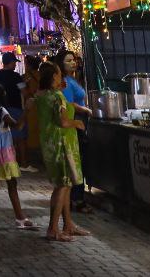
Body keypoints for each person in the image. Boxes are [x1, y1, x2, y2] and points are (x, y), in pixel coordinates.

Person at [36, 61, 88, 242]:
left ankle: (67, 225)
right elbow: (63, 122)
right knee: (63, 186)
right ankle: (53, 229)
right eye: (58, 75)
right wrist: (77, 123)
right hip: (62, 144)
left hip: (49, 144)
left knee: (64, 185)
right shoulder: (57, 97)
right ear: (53, 77)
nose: (61, 77)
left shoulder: (40, 95)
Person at [0, 82, 36, 232]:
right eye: (3, 92)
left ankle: (20, 217)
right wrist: (26, 111)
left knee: (11, 183)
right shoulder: (1, 111)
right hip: (3, 152)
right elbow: (17, 126)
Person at [57, 50, 92, 213]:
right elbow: (69, 104)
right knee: (76, 162)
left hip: (79, 121)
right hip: (74, 123)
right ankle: (76, 199)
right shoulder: (65, 82)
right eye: (68, 61)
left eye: (74, 60)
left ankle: (75, 197)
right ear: (61, 64)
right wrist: (86, 109)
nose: (73, 63)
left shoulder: (73, 79)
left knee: (80, 161)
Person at [0, 52, 34, 171]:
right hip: (15, 108)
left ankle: (8, 162)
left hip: (0, 109)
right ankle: (23, 163)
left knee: (6, 137)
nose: (15, 64)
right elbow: (25, 92)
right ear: (10, 62)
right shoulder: (16, 77)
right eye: (14, 62)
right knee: (20, 137)